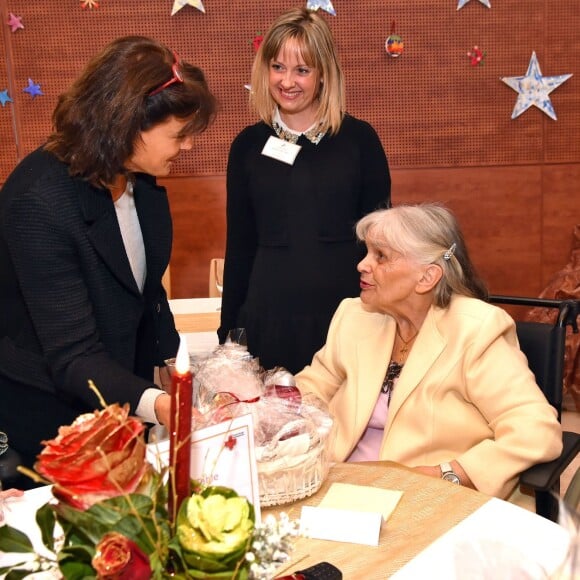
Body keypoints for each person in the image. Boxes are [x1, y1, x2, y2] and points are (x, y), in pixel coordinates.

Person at [0, 36, 217, 479]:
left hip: (121, 393)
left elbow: (145, 291)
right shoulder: (38, 201)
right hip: (52, 416)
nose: (189, 148)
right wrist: (162, 405)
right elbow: (74, 355)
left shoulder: (140, 180)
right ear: (129, 125)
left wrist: (177, 375)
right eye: (179, 136)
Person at [295, 203, 562, 500]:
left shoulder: (476, 330)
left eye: (380, 256)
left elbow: (536, 431)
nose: (362, 265)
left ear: (426, 277)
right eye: (367, 252)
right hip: (341, 486)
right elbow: (313, 386)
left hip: (431, 497)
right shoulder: (355, 315)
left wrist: (447, 473)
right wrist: (278, 414)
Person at [218, 7, 391, 374]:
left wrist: (386, 318)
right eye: (278, 67)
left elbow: (382, 246)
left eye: (302, 69)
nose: (287, 81)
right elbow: (240, 245)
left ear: (324, 74)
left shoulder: (360, 140)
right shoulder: (248, 145)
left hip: (346, 320)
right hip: (268, 322)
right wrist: (229, 337)